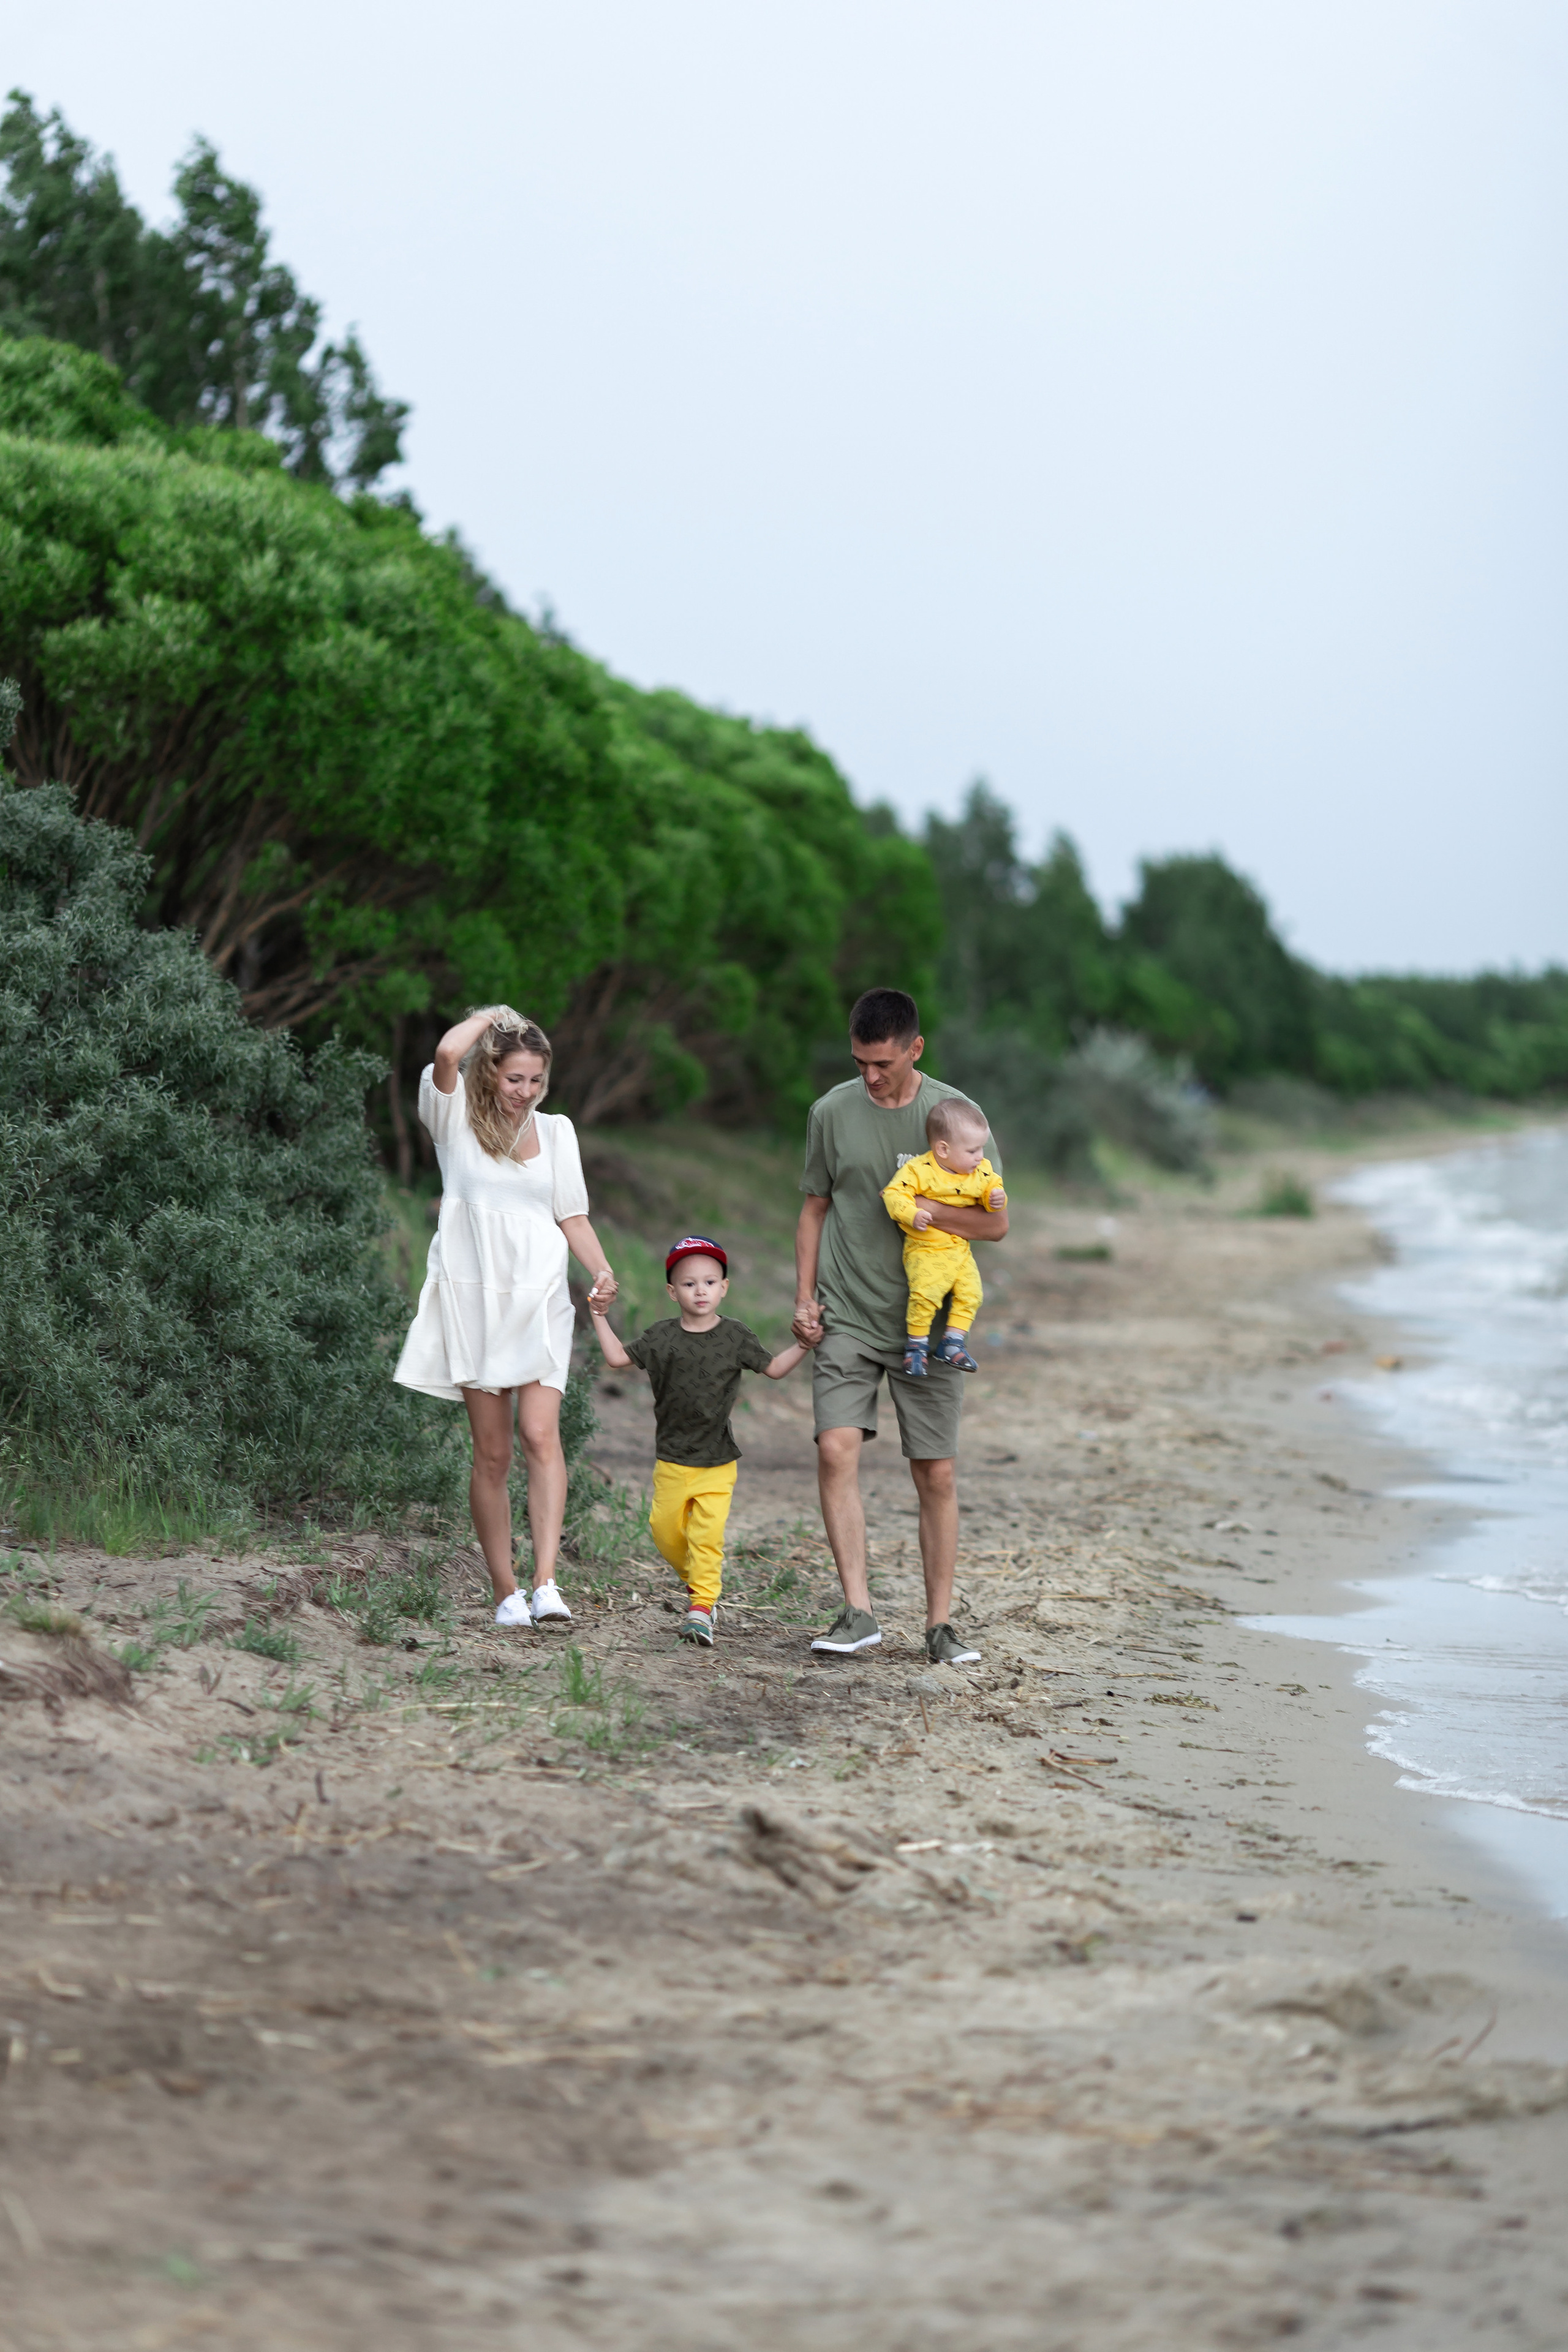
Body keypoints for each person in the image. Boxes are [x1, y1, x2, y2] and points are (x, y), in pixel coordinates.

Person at [793, 988, 1008, 1668]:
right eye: (859, 1062)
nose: (869, 1076)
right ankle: (857, 1612)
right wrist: (804, 1299)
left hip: (932, 1320)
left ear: (915, 1049)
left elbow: (995, 1223)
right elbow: (813, 1210)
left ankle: (940, 1627)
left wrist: (920, 1210)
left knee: (935, 1473)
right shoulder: (830, 1112)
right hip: (848, 1310)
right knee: (834, 1449)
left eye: (882, 1063)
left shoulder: (957, 1119)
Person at [394, 1005, 618, 1630]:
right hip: (475, 1302)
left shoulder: (559, 1132)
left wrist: (600, 1271)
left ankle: (547, 1582)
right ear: (491, 1071)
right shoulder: (452, 1119)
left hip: (540, 1297)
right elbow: (444, 1056)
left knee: (540, 1437)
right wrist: (489, 1015)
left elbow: (571, 1215)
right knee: (491, 1455)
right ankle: (505, 1590)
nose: (525, 1093)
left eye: (536, 1082)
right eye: (515, 1078)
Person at [590, 1235, 813, 1645]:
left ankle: (701, 1607)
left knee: (706, 1537)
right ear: (673, 1292)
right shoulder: (661, 1337)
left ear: (724, 1287)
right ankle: (703, 1587)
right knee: (664, 1531)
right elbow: (618, 1359)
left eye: (710, 1282)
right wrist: (600, 1316)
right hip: (672, 1460)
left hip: (717, 1461)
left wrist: (803, 1346)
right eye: (690, 1284)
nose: (701, 1291)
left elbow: (775, 1369)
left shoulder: (736, 1337)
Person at [882, 1096, 1006, 1378]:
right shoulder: (920, 1170)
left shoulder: (980, 1169)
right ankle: (916, 1346)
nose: (980, 1156)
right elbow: (893, 1193)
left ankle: (953, 1341)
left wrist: (995, 1197)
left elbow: (991, 1187)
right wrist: (911, 1214)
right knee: (925, 1295)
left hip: (959, 1250)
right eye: (973, 1150)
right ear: (943, 1149)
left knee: (973, 1293)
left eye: (981, 1149)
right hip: (926, 1247)